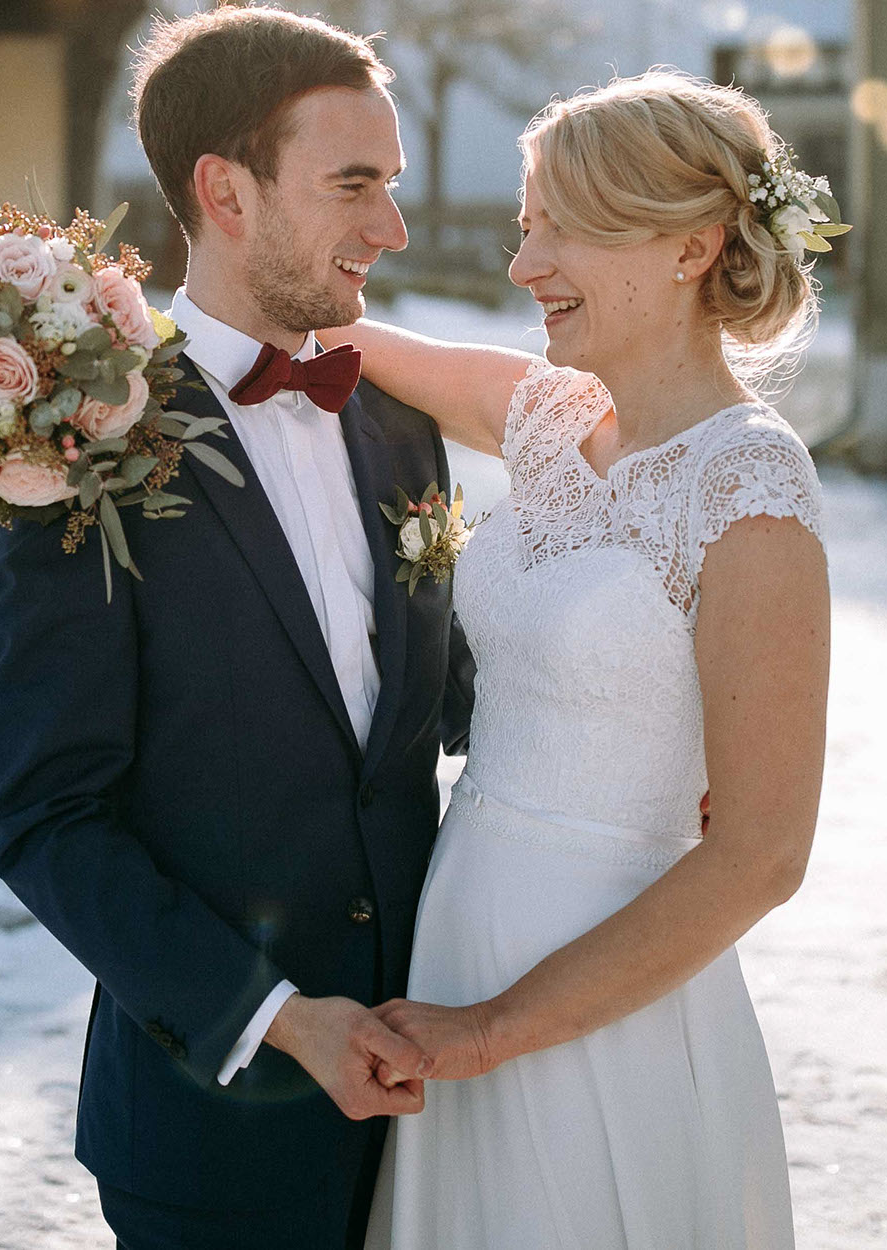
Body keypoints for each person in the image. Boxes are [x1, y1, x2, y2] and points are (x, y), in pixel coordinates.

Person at [0, 6, 477, 1250]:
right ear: (225, 190)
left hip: (442, 1103)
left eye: (391, 185)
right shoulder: (78, 445)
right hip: (215, 1128)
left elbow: (440, 699)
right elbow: (50, 818)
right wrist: (279, 1016)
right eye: (353, 183)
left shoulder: (398, 424)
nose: (392, 227)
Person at [326, 70, 832, 1250]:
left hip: (605, 989)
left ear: (691, 245)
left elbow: (762, 855)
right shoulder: (546, 415)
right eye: (525, 223)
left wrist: (496, 1027)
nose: (523, 264)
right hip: (455, 929)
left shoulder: (751, 488)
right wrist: (100, 333)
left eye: (563, 227)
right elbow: (333, 338)